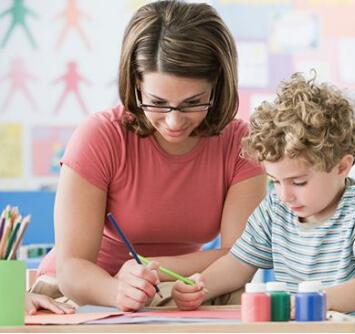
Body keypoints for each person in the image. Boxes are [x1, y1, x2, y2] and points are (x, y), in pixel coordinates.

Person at [36, 0, 266, 311]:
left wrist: (150, 265)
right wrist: (118, 289)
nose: (173, 122)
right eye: (157, 102)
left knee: (246, 302)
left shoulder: (241, 143)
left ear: (217, 87)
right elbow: (71, 269)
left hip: (181, 285)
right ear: (136, 85)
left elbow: (240, 256)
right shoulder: (100, 136)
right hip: (90, 289)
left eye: (192, 103)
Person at [171, 73, 355, 333]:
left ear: (342, 166)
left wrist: (313, 302)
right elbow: (236, 265)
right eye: (275, 181)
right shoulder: (275, 210)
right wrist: (200, 284)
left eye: (298, 182)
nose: (284, 195)